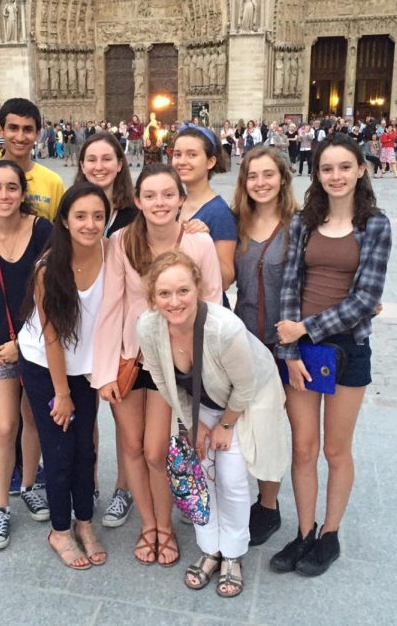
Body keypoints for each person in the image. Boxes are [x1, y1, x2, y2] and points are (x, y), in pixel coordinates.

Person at [271, 132, 392, 577]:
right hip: (302, 350)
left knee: (336, 449)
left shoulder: (376, 225)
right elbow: (289, 285)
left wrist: (306, 327)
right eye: (327, 168)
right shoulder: (304, 221)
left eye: (345, 167)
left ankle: (330, 534)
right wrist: (290, 347)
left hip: (347, 349)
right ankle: (304, 531)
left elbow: (365, 299)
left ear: (361, 169)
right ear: (316, 173)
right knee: (303, 448)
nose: (336, 176)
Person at [92, 164, 222, 567]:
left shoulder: (199, 243)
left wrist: (202, 368)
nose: (159, 203)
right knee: (130, 446)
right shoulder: (120, 242)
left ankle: (165, 526)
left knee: (155, 451)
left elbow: (213, 303)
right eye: (150, 195)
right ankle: (148, 526)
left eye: (169, 194)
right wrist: (103, 371)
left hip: (173, 363)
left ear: (182, 199)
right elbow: (111, 305)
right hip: (131, 358)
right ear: (138, 201)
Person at [137, 251, 289, 597]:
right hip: (201, 401)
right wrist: (193, 423)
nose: (174, 302)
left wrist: (225, 425)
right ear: (153, 297)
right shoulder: (148, 327)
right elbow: (164, 381)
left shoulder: (224, 328)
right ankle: (211, 550)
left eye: (183, 291)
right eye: (164, 294)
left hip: (246, 402)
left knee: (232, 478)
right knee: (200, 475)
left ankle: (233, 555)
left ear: (198, 289)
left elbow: (246, 385)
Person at [17, 182, 110, 570]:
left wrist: (194, 227)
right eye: (81, 216)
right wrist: (62, 394)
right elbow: (52, 337)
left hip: (87, 367)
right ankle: (59, 529)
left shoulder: (112, 250)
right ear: (66, 221)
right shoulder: (48, 268)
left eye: (98, 216)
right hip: (47, 366)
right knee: (58, 450)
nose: (90, 224)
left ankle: (84, 522)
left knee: (84, 448)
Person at [0, 161, 53, 550]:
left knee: (32, 419)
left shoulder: (42, 230)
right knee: (4, 426)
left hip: (33, 343)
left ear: (23, 193)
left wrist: (26, 341)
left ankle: (31, 484)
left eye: (12, 188)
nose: (4, 195)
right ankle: (1, 507)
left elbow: (48, 292)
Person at [230, 146, 297, 546]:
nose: (260, 183)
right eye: (253, 176)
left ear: (283, 178)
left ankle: (268, 505)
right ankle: (238, 495)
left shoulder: (299, 226)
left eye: (268, 175)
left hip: (281, 342)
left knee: (271, 426)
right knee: (240, 424)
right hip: (242, 341)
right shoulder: (236, 223)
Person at [74, 130, 137, 526]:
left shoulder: (136, 212)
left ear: (119, 164)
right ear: (81, 165)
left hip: (118, 327)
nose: (99, 166)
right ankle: (91, 482)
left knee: (122, 413)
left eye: (106, 159)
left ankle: (124, 489)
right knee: (86, 414)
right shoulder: (74, 207)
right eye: (91, 159)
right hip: (81, 326)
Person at [0, 99, 66, 224]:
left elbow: (59, 236)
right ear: (1, 131)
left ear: (37, 134)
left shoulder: (53, 183)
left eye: (27, 129)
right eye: (13, 128)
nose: (20, 137)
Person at [173, 124, 236, 292]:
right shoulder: (176, 205)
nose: (182, 161)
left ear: (211, 162)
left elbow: (226, 278)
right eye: (177, 154)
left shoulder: (219, 213)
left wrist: (203, 245)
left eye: (192, 155)